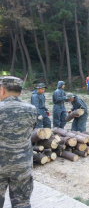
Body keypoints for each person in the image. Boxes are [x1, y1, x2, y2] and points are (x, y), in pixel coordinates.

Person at [0, 76, 37, 207]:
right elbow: (31, 130)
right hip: (22, 165)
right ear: (20, 92)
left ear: (2, 90)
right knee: (22, 203)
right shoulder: (31, 109)